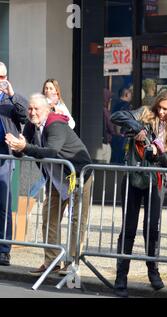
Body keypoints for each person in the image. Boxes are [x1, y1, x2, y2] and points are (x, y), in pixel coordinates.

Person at [5, 93, 92, 275]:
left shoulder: (55, 125)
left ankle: (72, 263)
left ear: (46, 110)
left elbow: (51, 151)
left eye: (36, 109)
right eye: (30, 108)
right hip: (56, 177)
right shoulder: (31, 125)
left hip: (77, 175)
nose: (32, 112)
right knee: (49, 218)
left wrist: (24, 147)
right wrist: (16, 147)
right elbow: (23, 148)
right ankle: (52, 261)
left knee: (76, 221)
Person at [110, 87, 167, 297]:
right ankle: (121, 277)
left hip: (156, 181)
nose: (162, 112)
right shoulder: (144, 113)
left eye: (166, 110)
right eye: (160, 108)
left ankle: (153, 271)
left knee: (152, 229)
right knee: (129, 229)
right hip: (134, 177)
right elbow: (117, 115)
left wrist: (160, 156)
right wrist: (137, 128)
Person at [0, 61, 28, 266]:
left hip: (5, 157)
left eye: (2, 77)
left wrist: (12, 94)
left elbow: (25, 116)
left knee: (4, 204)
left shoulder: (12, 100)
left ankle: (3, 249)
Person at [111, 86, 133, 164]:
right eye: (130, 94)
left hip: (116, 136)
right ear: (126, 94)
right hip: (121, 136)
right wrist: (120, 134)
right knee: (121, 159)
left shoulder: (116, 105)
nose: (131, 96)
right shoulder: (125, 106)